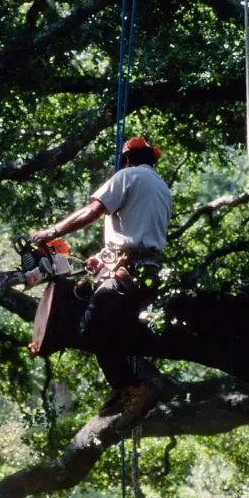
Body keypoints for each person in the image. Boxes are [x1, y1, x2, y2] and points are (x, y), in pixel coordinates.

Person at [31, 134, 171, 428]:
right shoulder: (160, 187)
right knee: (110, 329)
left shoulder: (126, 176)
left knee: (91, 328)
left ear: (127, 159)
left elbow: (92, 212)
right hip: (146, 269)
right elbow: (137, 235)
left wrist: (52, 231)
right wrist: (103, 257)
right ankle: (123, 389)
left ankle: (132, 388)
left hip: (128, 271)